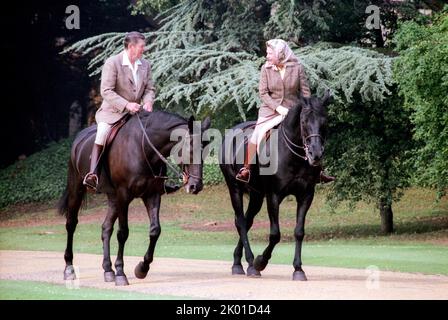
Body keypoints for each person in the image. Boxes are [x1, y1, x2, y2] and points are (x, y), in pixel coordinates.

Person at [235, 39, 335, 184]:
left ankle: (319, 171)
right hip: (270, 111)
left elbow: (305, 92)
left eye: (270, 53)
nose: (267, 56)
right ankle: (246, 169)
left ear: (280, 54)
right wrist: (277, 107)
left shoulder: (297, 68)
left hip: (293, 111)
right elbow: (263, 93)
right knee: (257, 134)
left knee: (312, 134)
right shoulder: (266, 68)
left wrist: (307, 109)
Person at [83, 31, 155, 191]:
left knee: (155, 133)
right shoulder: (113, 63)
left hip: (137, 113)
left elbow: (150, 89)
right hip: (112, 113)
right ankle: (93, 173)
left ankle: (157, 177)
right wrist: (127, 105)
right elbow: (106, 91)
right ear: (131, 46)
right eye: (142, 46)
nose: (144, 49)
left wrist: (148, 101)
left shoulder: (146, 64)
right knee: (102, 132)